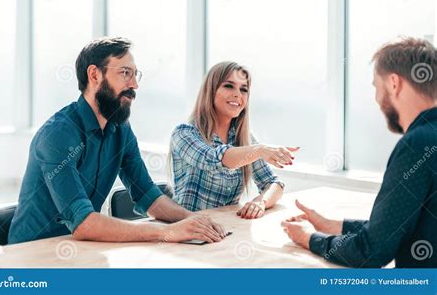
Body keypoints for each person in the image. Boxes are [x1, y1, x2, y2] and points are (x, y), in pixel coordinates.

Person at [8, 37, 225, 245]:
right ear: (94, 75)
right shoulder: (57, 135)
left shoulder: (121, 130)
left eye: (135, 74)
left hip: (80, 250)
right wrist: (167, 232)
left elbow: (148, 196)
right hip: (29, 257)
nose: (134, 85)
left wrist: (192, 220)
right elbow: (84, 223)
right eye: (125, 73)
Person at [281, 37, 437, 268]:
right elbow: (394, 226)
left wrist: (308, 237)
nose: (376, 99)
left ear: (394, 83)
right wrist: (331, 224)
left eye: (376, 86)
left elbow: (371, 251)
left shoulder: (418, 144)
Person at [170, 61, 299, 219]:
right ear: (211, 91)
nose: (238, 94)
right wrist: (259, 150)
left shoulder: (244, 139)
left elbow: (274, 184)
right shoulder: (184, 133)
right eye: (229, 86)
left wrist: (261, 201)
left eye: (243, 89)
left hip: (228, 229)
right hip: (189, 233)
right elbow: (213, 159)